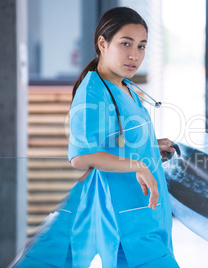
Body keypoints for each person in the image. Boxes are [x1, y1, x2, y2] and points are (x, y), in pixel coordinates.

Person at [11, 6, 180, 268]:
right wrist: (137, 164)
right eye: (126, 43)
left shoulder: (126, 87)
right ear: (103, 43)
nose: (135, 55)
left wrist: (151, 146)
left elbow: (116, 139)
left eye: (142, 46)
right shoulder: (93, 92)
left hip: (142, 211)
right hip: (119, 215)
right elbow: (82, 155)